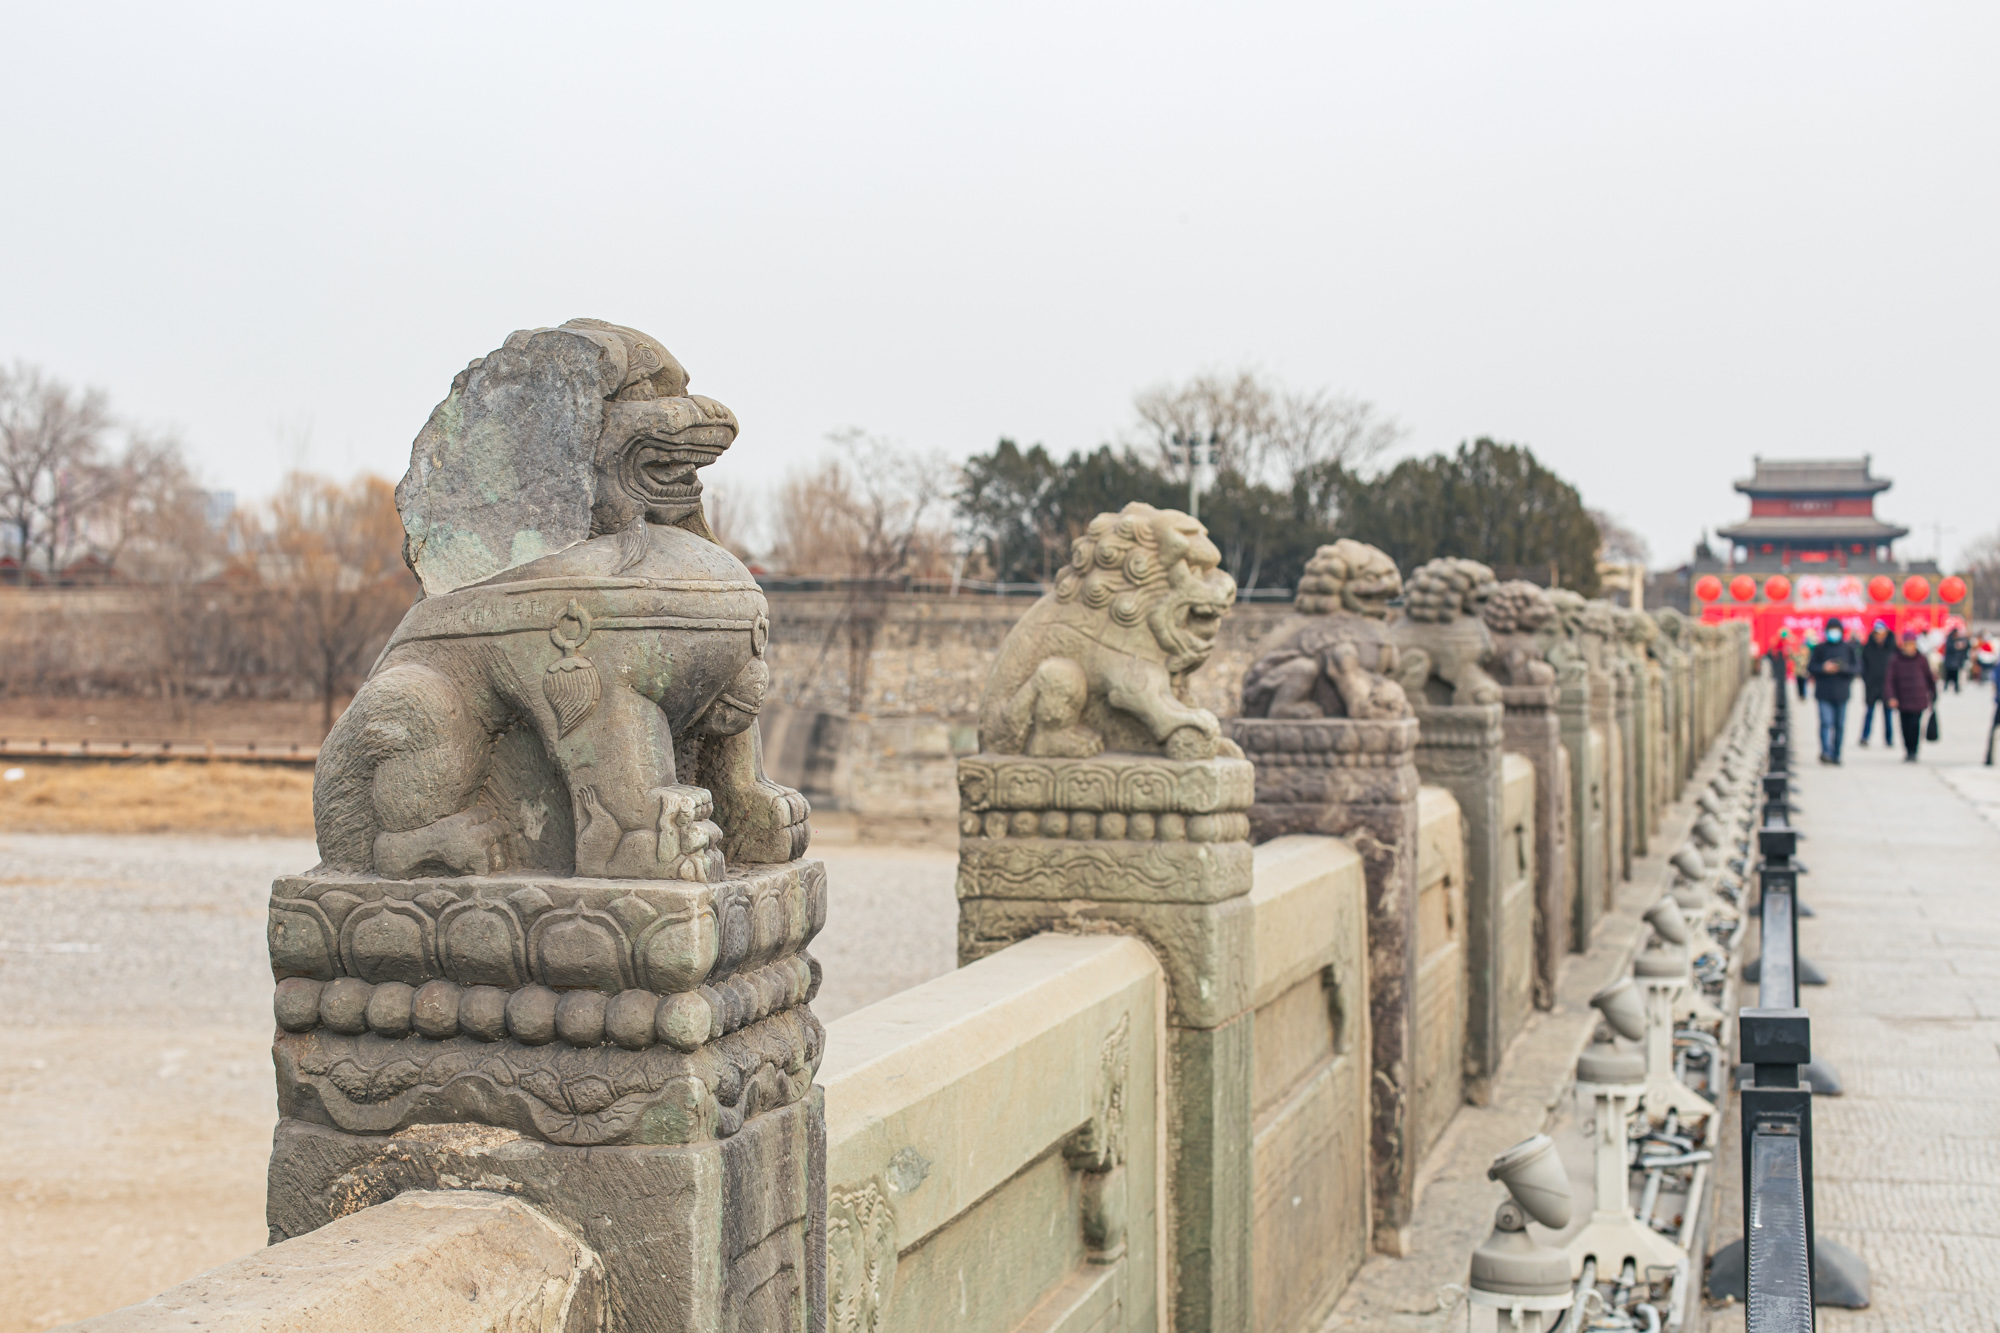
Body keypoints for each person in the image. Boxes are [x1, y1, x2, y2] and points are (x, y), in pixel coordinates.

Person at [1807, 616, 1860, 763]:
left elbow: (1857, 668)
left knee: (1839, 725)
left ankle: (1836, 753)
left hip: (1842, 693)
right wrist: (1824, 668)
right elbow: (1811, 667)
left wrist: (1842, 668)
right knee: (1825, 722)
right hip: (1823, 692)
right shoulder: (1820, 648)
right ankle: (1825, 751)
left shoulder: (1848, 648)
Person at [1885, 628, 1937, 762]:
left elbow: (1929, 677)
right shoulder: (1896, 660)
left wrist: (1933, 693)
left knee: (1915, 725)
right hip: (1902, 699)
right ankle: (1908, 749)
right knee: (1905, 726)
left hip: (1918, 698)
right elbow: (1890, 679)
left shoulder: (1921, 659)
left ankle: (1914, 750)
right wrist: (1891, 696)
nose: (1910, 647)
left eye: (1912, 644)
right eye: (1908, 644)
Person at [1858, 620, 1895, 746]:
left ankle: (1889, 739)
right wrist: (1867, 681)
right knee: (1869, 713)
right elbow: (1863, 667)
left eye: (1881, 633)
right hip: (1871, 686)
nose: (1879, 636)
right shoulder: (1868, 648)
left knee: (1888, 715)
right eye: (1877, 634)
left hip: (1887, 687)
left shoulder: (1892, 648)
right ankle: (1865, 737)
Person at [1942, 628, 1970, 693]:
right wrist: (1956, 646)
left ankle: (1956, 687)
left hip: (1956, 661)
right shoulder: (1950, 640)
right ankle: (1946, 686)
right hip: (1950, 661)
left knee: (1956, 676)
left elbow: (1967, 646)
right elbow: (1949, 648)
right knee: (1948, 675)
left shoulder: (1960, 639)